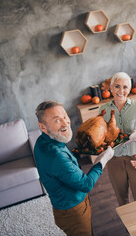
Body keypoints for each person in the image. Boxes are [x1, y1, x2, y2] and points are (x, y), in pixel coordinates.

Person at [34, 101, 114, 236]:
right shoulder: (55, 156)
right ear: (43, 126)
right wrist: (102, 160)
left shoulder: (43, 141)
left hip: (64, 206)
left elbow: (62, 164)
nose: (65, 123)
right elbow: (86, 184)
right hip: (73, 211)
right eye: (57, 120)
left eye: (65, 116)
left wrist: (79, 151)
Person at [99, 72, 136, 206]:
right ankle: (129, 227)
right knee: (122, 200)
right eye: (117, 86)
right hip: (114, 160)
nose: (121, 91)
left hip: (135, 157)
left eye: (125, 87)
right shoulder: (104, 109)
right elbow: (101, 134)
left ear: (130, 89)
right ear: (111, 88)